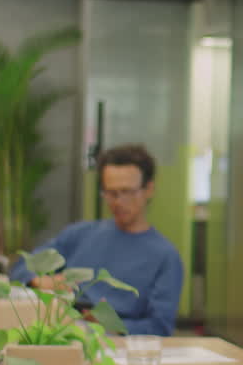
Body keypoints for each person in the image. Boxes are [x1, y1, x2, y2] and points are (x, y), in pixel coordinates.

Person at [10, 143, 184, 336]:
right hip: (60, 332)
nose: (118, 202)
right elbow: (20, 268)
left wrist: (109, 325)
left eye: (127, 192)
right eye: (111, 193)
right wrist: (38, 281)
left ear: (149, 189)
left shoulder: (165, 256)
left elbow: (159, 327)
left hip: (117, 345)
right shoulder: (79, 235)